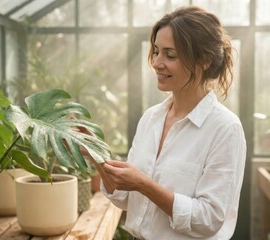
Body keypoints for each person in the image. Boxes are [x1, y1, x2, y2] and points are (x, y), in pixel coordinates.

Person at [91, 5, 246, 240]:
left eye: (170, 55)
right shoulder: (151, 119)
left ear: (203, 59)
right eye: (156, 51)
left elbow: (209, 219)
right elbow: (125, 199)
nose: (156, 62)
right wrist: (94, 153)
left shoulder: (225, 128)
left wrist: (145, 185)